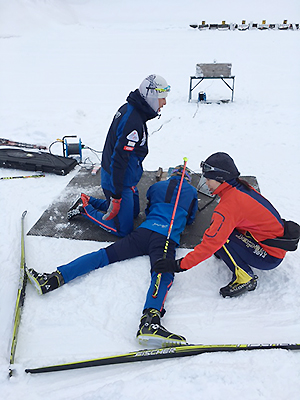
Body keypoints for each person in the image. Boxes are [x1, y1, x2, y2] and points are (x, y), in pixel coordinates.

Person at [27, 165, 198, 347]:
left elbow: (148, 210)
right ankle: (150, 320)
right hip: (165, 237)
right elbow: (191, 219)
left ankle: (53, 278)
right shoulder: (192, 192)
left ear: (171, 176)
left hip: (143, 232)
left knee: (103, 256)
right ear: (186, 178)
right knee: (162, 272)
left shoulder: (155, 187)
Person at [154, 152, 289, 298]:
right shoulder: (240, 189)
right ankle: (231, 250)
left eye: (208, 179)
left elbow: (210, 244)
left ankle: (245, 278)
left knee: (221, 238)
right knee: (218, 232)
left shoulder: (229, 206)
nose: (206, 183)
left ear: (220, 179)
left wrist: (178, 265)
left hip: (269, 255)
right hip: (269, 243)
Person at [68, 74, 171, 238]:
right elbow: (118, 160)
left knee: (135, 213)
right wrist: (116, 196)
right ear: (151, 95)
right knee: (124, 230)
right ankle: (84, 209)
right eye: (162, 98)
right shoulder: (133, 121)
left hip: (126, 178)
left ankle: (89, 199)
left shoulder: (132, 110)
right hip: (117, 181)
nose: (164, 103)